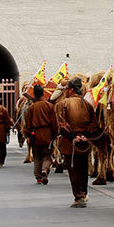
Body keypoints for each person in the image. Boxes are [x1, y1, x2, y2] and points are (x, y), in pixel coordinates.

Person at [56, 78, 98, 207]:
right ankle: (83, 193)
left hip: (70, 143)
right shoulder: (88, 104)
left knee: (73, 170)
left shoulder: (62, 104)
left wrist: (73, 136)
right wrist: (85, 136)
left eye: (67, 89)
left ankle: (79, 196)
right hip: (84, 143)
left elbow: (61, 124)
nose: (66, 91)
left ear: (71, 90)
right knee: (83, 168)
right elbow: (94, 123)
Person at [25, 84, 57, 184]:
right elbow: (53, 122)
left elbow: (28, 124)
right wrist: (54, 134)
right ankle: (44, 169)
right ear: (43, 93)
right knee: (47, 155)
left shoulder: (31, 108)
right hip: (47, 133)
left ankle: (38, 177)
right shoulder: (49, 106)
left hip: (35, 134)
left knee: (37, 156)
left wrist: (27, 135)